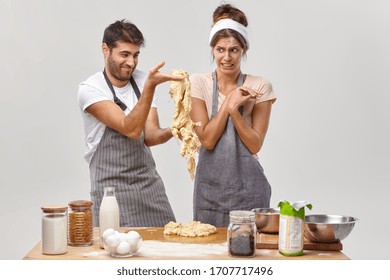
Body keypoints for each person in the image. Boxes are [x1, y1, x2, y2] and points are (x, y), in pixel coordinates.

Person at [77, 19, 182, 227]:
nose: (131, 63)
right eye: (124, 54)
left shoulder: (143, 80)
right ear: (105, 50)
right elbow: (130, 128)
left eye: (135, 55)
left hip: (148, 187)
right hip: (111, 192)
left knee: (168, 247)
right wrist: (150, 87)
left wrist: (177, 128)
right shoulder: (90, 89)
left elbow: (150, 136)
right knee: (116, 252)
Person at [190, 4, 277, 226]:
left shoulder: (260, 86)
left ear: (244, 50)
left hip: (249, 190)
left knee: (248, 252)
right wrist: (230, 101)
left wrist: (235, 114)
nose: (226, 57)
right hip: (209, 193)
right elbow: (208, 140)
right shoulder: (198, 83)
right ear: (212, 49)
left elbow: (255, 144)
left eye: (234, 50)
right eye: (220, 49)